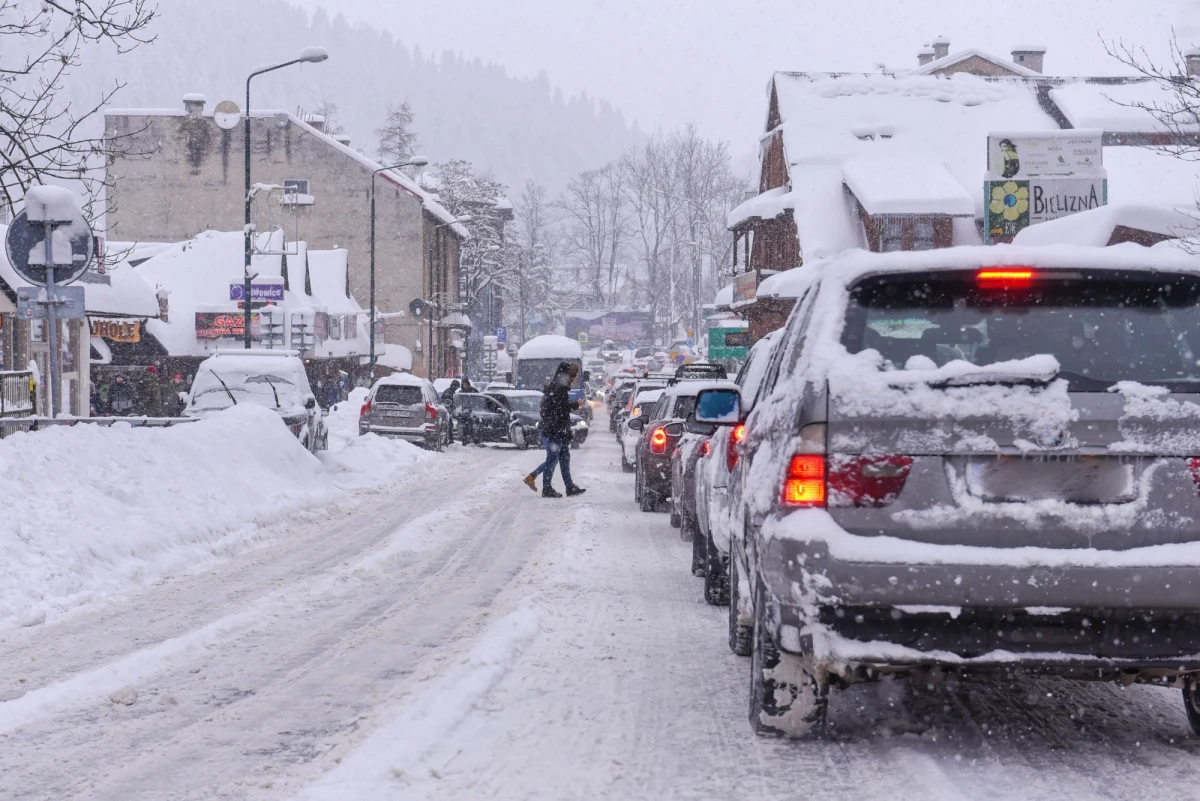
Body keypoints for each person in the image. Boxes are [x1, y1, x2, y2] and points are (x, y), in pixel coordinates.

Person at [534, 361, 586, 498]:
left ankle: (569, 487)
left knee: (563, 458)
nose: (572, 379)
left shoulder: (555, 386)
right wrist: (576, 404)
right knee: (553, 459)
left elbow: (557, 407)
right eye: (571, 375)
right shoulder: (560, 387)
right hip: (556, 429)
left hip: (556, 428)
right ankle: (547, 488)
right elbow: (561, 408)